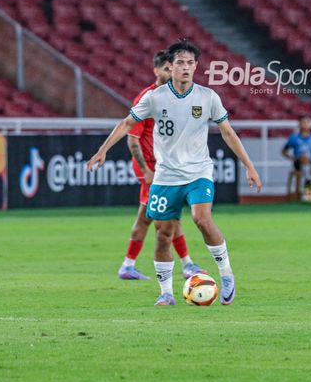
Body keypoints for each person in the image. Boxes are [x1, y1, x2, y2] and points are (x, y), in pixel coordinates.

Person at [88, 39, 262, 306]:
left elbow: (228, 132)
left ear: (196, 66)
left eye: (190, 63)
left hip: (198, 172)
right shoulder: (154, 98)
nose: (185, 67)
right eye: (180, 62)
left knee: (201, 218)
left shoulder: (207, 97)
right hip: (166, 176)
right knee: (163, 234)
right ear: (170, 66)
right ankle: (166, 293)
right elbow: (126, 124)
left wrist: (249, 166)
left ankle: (226, 275)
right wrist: (103, 150)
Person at [119, 50, 207, 281]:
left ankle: (128, 265)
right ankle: (187, 264)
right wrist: (147, 170)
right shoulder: (147, 98)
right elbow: (132, 139)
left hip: (162, 168)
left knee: (147, 218)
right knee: (169, 215)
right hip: (151, 169)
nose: (173, 72)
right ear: (156, 70)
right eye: (168, 68)